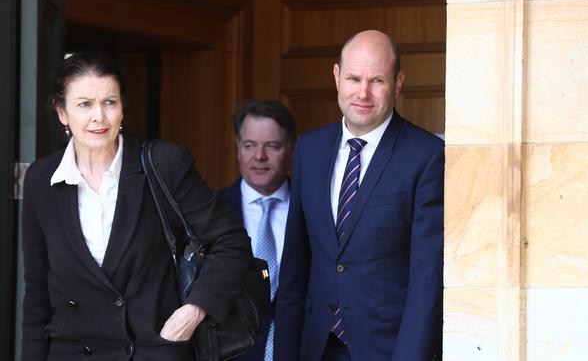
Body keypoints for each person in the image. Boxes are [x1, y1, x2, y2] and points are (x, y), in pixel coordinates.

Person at [21, 50, 253, 361]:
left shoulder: (165, 164)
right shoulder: (41, 180)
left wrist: (193, 311)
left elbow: (231, 242)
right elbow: (37, 295)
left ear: (122, 108)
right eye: (84, 104)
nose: (98, 117)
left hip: (151, 350)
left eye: (109, 103)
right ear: (62, 112)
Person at [275, 30, 444, 361]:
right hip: (316, 347)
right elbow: (295, 268)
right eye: (353, 78)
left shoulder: (426, 155)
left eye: (377, 80)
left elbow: (427, 282)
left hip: (386, 349)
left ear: (398, 82)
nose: (363, 93)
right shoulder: (309, 148)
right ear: (336, 76)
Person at [217, 100, 295, 361]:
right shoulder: (212, 212)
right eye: (249, 145)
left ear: (291, 148)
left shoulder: (314, 211)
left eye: (272, 146)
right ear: (238, 148)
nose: (259, 156)